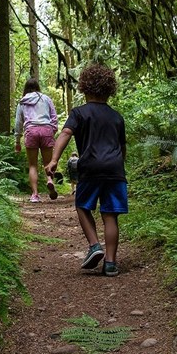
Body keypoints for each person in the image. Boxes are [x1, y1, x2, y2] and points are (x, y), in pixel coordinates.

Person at [46, 63, 126, 276]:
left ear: (84, 87)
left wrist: (54, 159)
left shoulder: (79, 113)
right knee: (110, 215)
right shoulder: (117, 117)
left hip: (90, 167)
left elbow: (65, 134)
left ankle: (94, 245)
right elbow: (122, 148)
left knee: (82, 205)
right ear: (110, 89)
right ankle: (110, 263)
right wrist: (120, 169)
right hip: (115, 170)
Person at [14, 77, 59, 202]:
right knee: (48, 163)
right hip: (46, 129)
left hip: (31, 130)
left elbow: (18, 122)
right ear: (38, 87)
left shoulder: (22, 102)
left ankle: (34, 195)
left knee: (32, 165)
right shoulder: (46, 99)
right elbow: (54, 117)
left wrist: (17, 141)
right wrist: (52, 131)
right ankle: (50, 180)